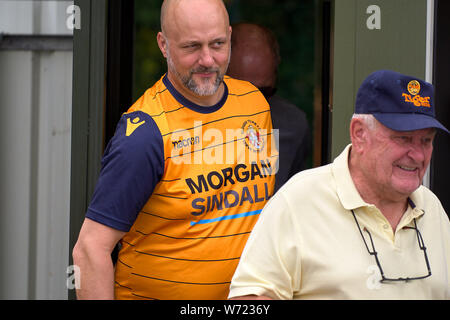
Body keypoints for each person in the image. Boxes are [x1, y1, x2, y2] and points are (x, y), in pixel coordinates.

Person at [72, 0, 276, 300]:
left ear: (230, 37)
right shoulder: (145, 133)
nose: (207, 59)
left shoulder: (255, 104)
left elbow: (257, 211)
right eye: (192, 47)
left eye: (217, 44)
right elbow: (90, 248)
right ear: (164, 45)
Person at [228, 69, 450, 300]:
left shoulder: (431, 207)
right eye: (403, 138)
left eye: (426, 140)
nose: (417, 154)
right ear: (359, 133)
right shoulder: (299, 201)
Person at [226, 22, 311, 192]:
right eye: (242, 92)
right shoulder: (192, 126)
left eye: (264, 92)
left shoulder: (293, 125)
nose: (254, 103)